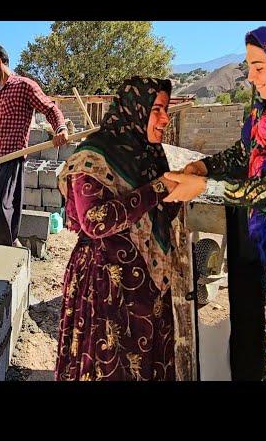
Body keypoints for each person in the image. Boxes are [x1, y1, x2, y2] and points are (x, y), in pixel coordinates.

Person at [167, 22, 266, 380]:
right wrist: (203, 165)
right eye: (249, 68)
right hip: (254, 245)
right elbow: (243, 155)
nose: (252, 78)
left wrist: (204, 187)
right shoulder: (264, 113)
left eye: (260, 67)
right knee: (249, 334)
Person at [55, 77, 181, 381]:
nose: (165, 118)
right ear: (135, 110)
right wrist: (159, 188)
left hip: (148, 288)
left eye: (165, 109)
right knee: (109, 363)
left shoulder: (150, 154)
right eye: (158, 109)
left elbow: (160, 214)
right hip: (106, 286)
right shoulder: (94, 155)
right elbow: (95, 220)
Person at [0, 43, 68, 247]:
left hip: (12, 161)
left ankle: (8, 251)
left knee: (4, 211)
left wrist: (60, 128)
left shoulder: (25, 86)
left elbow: (49, 109)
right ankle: (9, 240)